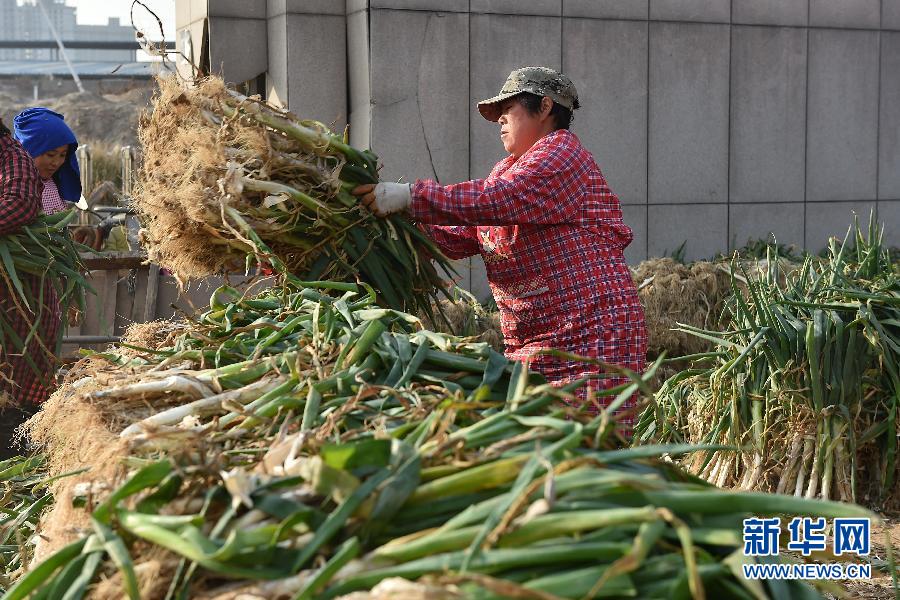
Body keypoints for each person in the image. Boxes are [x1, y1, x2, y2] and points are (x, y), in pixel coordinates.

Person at [353, 66, 647, 428]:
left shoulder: (563, 156)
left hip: (590, 339)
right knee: (532, 452)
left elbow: (500, 199)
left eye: (509, 109)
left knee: (579, 455)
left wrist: (412, 197)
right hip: (533, 344)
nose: (500, 120)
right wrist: (380, 237)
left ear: (544, 107)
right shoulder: (506, 171)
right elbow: (462, 233)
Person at [0, 116, 56, 459]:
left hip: (17, 313)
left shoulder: (12, 158)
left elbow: (19, 204)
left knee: (15, 405)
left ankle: (14, 487)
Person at [13, 107, 81, 215]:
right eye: (51, 155)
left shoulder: (53, 185)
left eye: (63, 155)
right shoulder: (13, 187)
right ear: (28, 150)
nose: (56, 162)